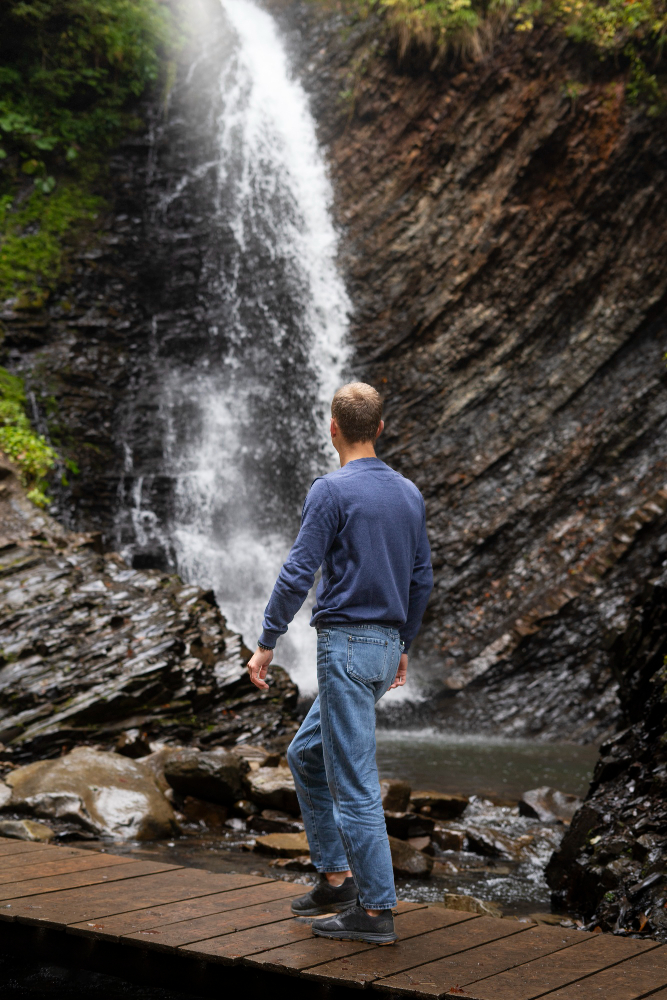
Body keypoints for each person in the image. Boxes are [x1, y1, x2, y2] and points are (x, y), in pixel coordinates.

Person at [246, 382, 433, 945]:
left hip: (347, 647)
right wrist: (403, 643)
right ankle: (335, 879)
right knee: (306, 755)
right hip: (381, 650)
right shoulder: (408, 493)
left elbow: (298, 571)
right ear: (379, 428)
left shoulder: (330, 490)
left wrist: (267, 639)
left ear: (333, 428)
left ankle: (376, 912)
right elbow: (421, 579)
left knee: (352, 782)